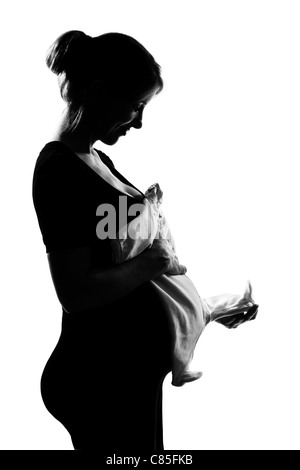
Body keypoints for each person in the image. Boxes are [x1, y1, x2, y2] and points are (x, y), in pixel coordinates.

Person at [32, 30, 258, 452]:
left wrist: (203, 310)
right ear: (99, 92)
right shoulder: (58, 169)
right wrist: (154, 262)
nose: (138, 121)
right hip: (98, 379)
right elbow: (76, 292)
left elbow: (125, 268)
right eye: (135, 106)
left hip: (126, 375)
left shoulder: (99, 162)